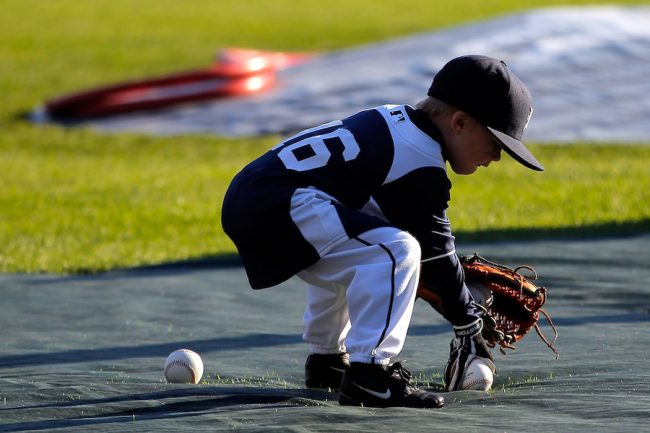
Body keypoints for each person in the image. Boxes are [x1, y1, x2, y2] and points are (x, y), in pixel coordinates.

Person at [221, 54, 543, 408]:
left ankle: (327, 360)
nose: (496, 158)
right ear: (460, 122)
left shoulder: (395, 123)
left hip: (257, 197)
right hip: (280, 203)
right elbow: (437, 254)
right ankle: (371, 374)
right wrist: (469, 322)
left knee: (363, 246)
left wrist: (450, 288)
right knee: (397, 251)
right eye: (496, 144)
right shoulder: (420, 159)